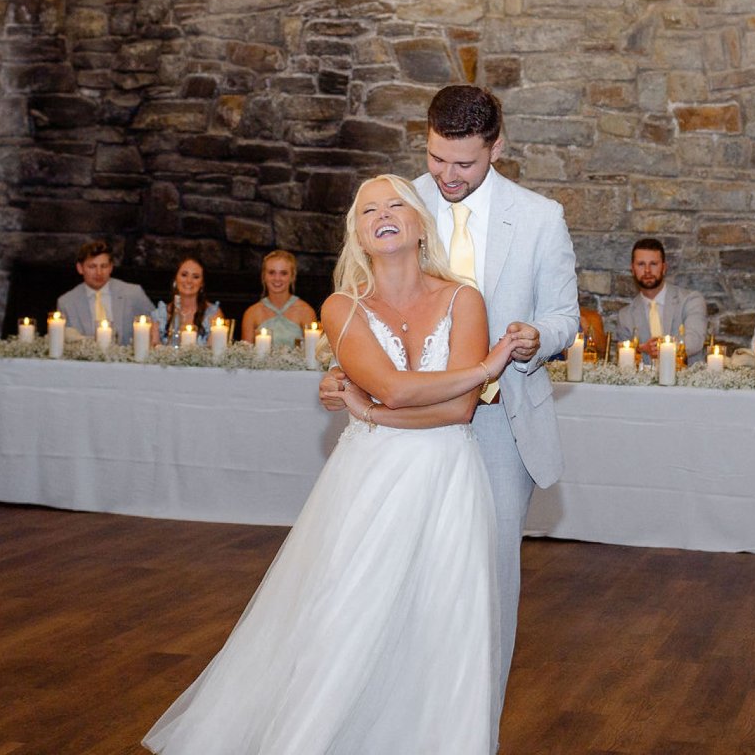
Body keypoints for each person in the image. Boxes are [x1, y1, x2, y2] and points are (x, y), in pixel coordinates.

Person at [145, 175, 519, 753]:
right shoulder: (342, 306)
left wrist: (369, 411)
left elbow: (460, 411)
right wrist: (484, 366)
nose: (384, 214)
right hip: (369, 480)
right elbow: (396, 388)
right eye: (369, 209)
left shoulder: (463, 298)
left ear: (420, 224)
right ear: (359, 233)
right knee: (350, 613)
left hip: (448, 477)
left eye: (397, 204)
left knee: (443, 619)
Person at [320, 85, 578, 741]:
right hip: (403, 429)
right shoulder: (398, 202)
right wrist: (346, 369)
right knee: (392, 578)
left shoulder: (540, 216)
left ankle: (469, 733)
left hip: (497, 422)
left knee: (484, 586)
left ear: (497, 146)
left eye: (464, 163)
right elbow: (359, 301)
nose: (448, 176)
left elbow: (564, 317)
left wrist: (534, 339)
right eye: (437, 159)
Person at [611, 238, 707, 364]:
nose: (647, 270)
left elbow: (695, 340)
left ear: (664, 267)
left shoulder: (691, 300)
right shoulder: (625, 316)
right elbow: (622, 359)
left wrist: (661, 348)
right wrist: (641, 349)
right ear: (632, 269)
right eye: (641, 264)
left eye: (653, 264)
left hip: (687, 380)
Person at [55, 239, 156, 344]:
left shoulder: (133, 293)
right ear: (80, 268)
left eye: (104, 266)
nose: (99, 273)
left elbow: (156, 323)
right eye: (92, 267)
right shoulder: (67, 302)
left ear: (111, 267)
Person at [240, 249, 317, 345]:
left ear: (292, 276)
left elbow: (314, 353)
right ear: (264, 276)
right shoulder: (251, 313)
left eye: (283, 273)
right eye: (271, 272)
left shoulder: (306, 311)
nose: (277, 278)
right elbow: (244, 356)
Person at [152, 256, 223, 344]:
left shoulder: (213, 314)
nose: (189, 281)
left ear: (202, 284)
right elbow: (153, 348)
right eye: (184, 275)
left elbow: (215, 352)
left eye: (195, 277)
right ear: (175, 279)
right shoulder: (160, 314)